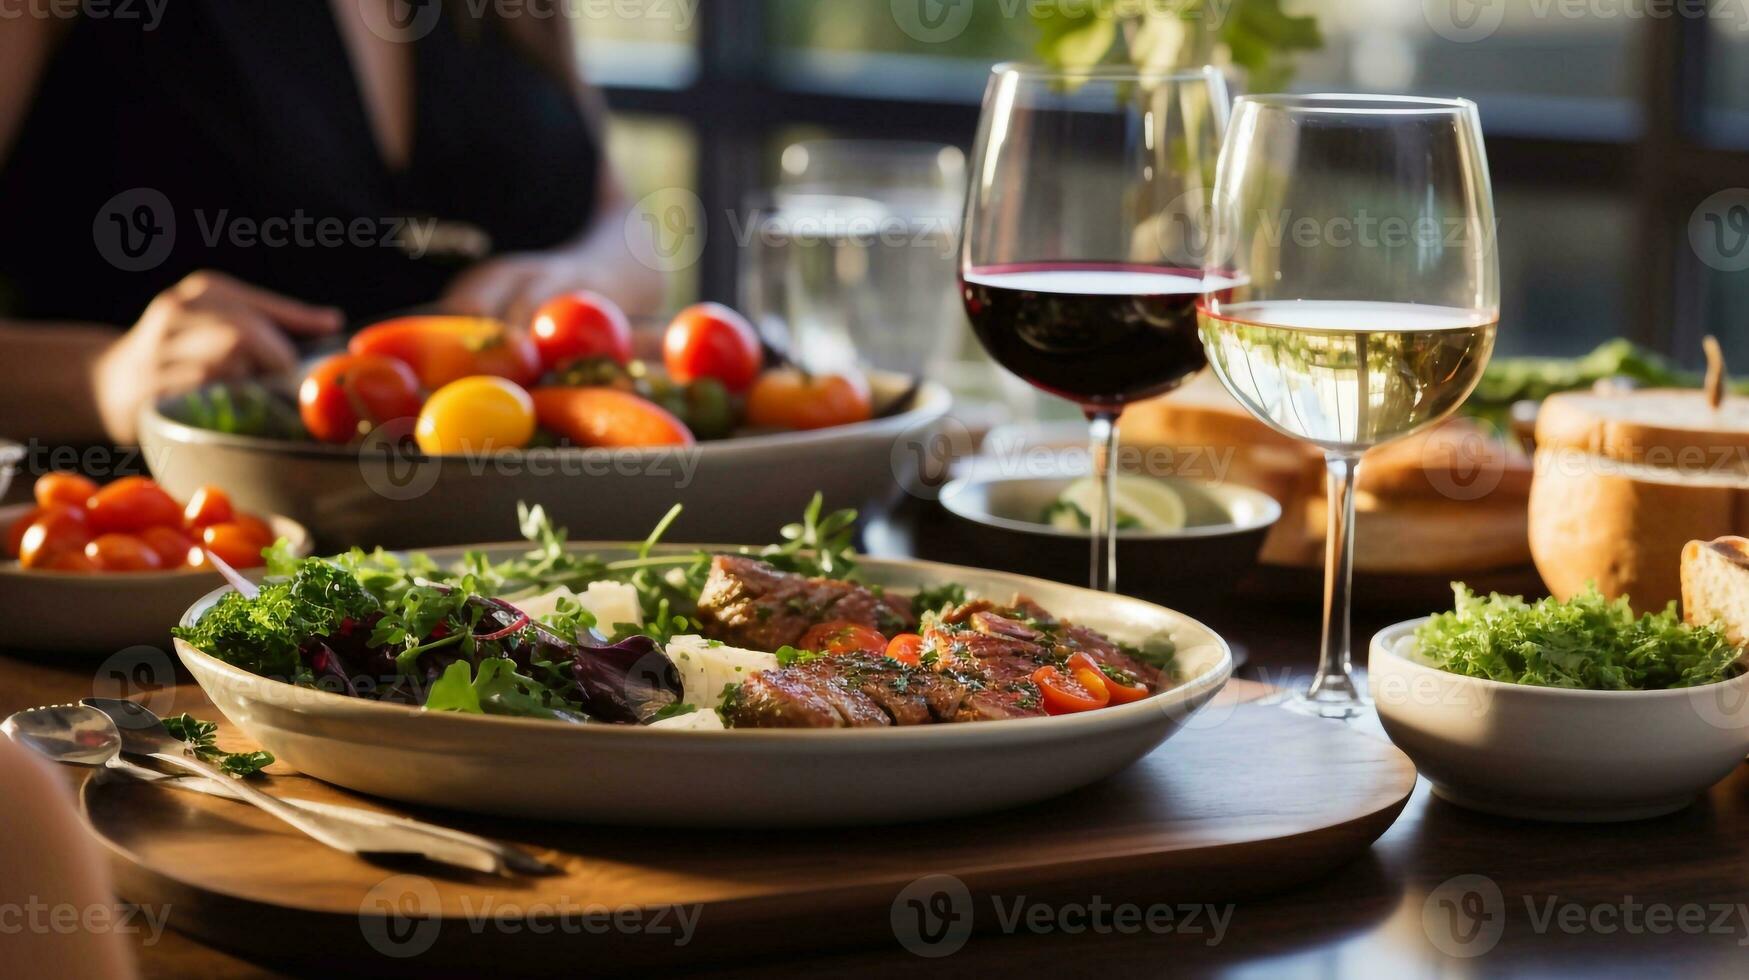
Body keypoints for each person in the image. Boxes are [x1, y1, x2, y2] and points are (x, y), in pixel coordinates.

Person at [0, 0, 663, 445]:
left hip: (519, 571)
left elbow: (625, 227)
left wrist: (578, 278)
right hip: (165, 562)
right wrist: (102, 377)